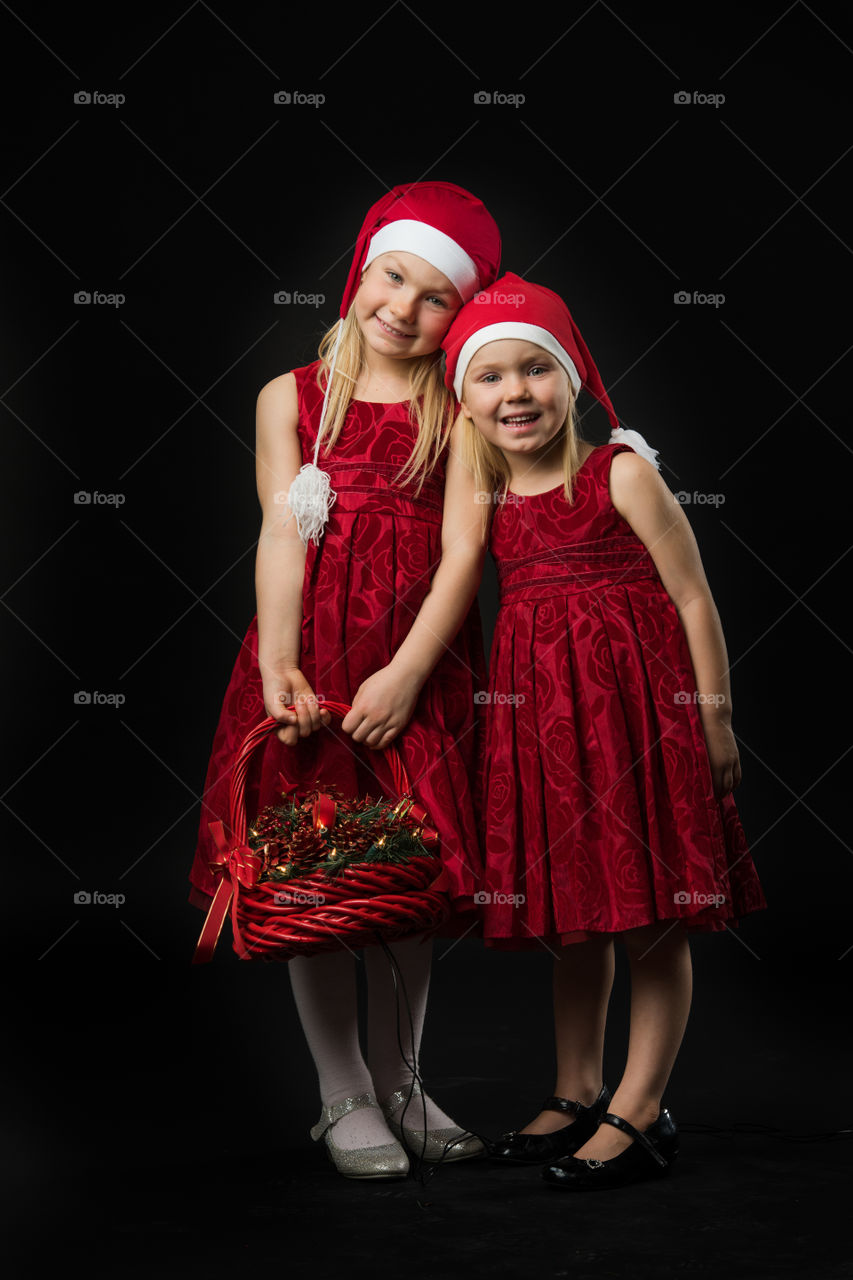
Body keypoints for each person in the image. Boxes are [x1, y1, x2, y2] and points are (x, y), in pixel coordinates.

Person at [188, 183, 501, 1179]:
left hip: (415, 668)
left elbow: (463, 554)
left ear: (461, 316)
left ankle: (404, 1076)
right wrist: (280, 660)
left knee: (404, 878)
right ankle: (342, 1090)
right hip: (310, 665)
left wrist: (409, 672)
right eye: (392, 279)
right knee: (315, 872)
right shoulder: (290, 397)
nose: (403, 310)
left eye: (434, 298)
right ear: (362, 271)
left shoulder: (457, 407)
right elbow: (283, 530)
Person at [441, 273, 767, 1191]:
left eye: (535, 370)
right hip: (549, 734)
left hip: (641, 726)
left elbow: (693, 598)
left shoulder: (619, 471)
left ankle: (639, 1105)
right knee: (575, 919)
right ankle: (575, 1088)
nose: (515, 393)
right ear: (465, 400)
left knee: (653, 916)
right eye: (490, 377)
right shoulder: (488, 494)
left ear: (571, 379)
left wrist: (715, 720)